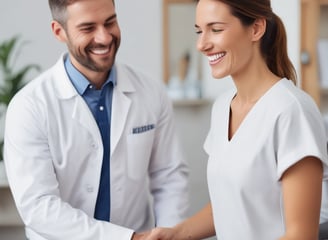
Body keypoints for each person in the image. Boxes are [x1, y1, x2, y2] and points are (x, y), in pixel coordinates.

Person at [3, 0, 189, 239]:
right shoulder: (29, 106)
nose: (104, 37)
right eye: (88, 28)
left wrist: (169, 233)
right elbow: (38, 206)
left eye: (110, 22)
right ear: (59, 31)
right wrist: (127, 238)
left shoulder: (151, 92)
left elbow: (169, 175)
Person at [143, 0, 328, 239]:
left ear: (256, 29)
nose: (201, 44)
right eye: (199, 31)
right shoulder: (222, 107)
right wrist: (176, 233)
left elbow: (300, 235)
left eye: (216, 29)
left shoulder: (291, 110)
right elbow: (229, 205)